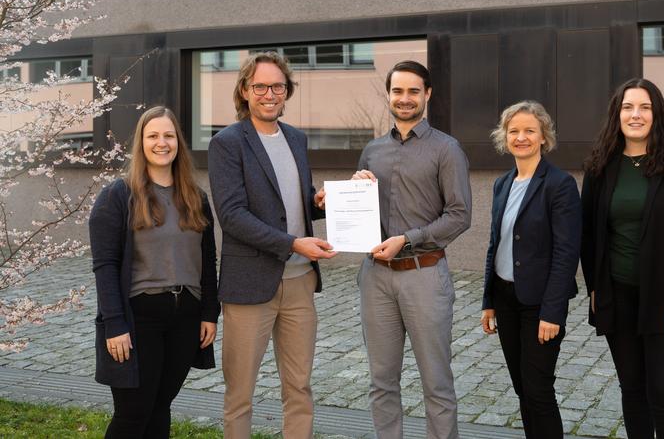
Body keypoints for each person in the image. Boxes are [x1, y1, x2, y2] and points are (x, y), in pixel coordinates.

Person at [208, 52, 335, 439]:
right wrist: (295, 243)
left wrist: (319, 203)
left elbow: (293, 202)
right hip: (250, 286)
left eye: (277, 86)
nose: (269, 94)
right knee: (240, 394)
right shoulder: (227, 143)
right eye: (260, 86)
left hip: (299, 285)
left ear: (287, 91)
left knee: (299, 388)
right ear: (245, 90)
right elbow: (232, 216)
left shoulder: (296, 138)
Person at [343, 60, 471, 438]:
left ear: (427, 94)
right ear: (388, 95)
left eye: (413, 91)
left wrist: (408, 238)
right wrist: (354, 188)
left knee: (437, 384)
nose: (405, 98)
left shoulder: (447, 149)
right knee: (381, 382)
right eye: (397, 91)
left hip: (425, 275)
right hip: (376, 279)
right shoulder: (371, 151)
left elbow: (460, 215)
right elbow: (360, 213)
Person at [580, 78, 664, 438]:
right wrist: (594, 287)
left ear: (657, 115)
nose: (635, 114)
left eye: (645, 107)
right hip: (618, 298)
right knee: (633, 392)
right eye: (627, 107)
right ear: (616, 115)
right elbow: (588, 233)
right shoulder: (599, 167)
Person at [90, 106, 220, 438]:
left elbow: (207, 260)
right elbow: (105, 267)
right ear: (141, 143)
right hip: (139, 317)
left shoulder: (195, 197)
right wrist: (114, 324)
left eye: (168, 135)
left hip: (185, 316)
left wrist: (209, 313)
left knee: (161, 407)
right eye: (153, 136)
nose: (161, 143)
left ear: (178, 142)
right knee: (133, 414)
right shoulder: (118, 196)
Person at [480, 101, 581, 439]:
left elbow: (567, 253)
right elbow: (496, 244)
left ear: (543, 137)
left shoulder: (559, 184)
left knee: (538, 390)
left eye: (529, 131)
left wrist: (553, 312)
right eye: (514, 131)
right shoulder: (502, 184)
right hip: (507, 299)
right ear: (504, 137)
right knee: (523, 388)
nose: (520, 137)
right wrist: (488, 300)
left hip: (541, 304)